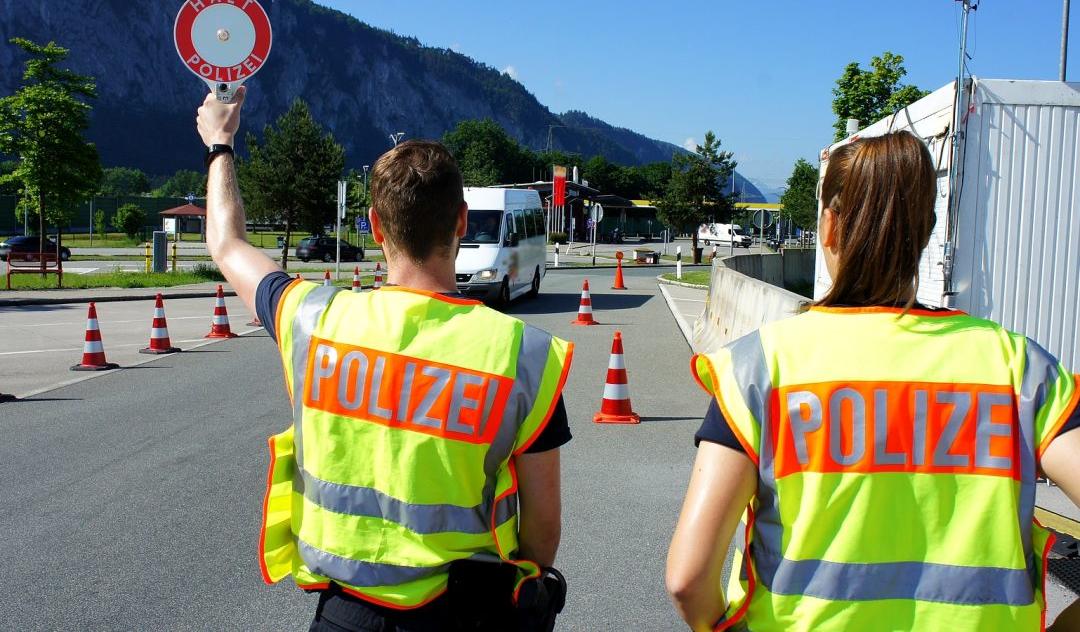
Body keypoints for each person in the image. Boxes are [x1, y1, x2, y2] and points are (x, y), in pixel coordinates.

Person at [666, 131, 1080, 631]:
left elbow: (687, 579)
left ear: (828, 225)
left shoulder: (760, 367)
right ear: (925, 231)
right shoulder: (1018, 367)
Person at [196, 87, 574, 630]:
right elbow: (542, 534)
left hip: (344, 615)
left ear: (374, 226)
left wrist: (220, 143)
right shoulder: (524, 357)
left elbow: (226, 244)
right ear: (462, 223)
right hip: (466, 613)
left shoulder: (311, 318)